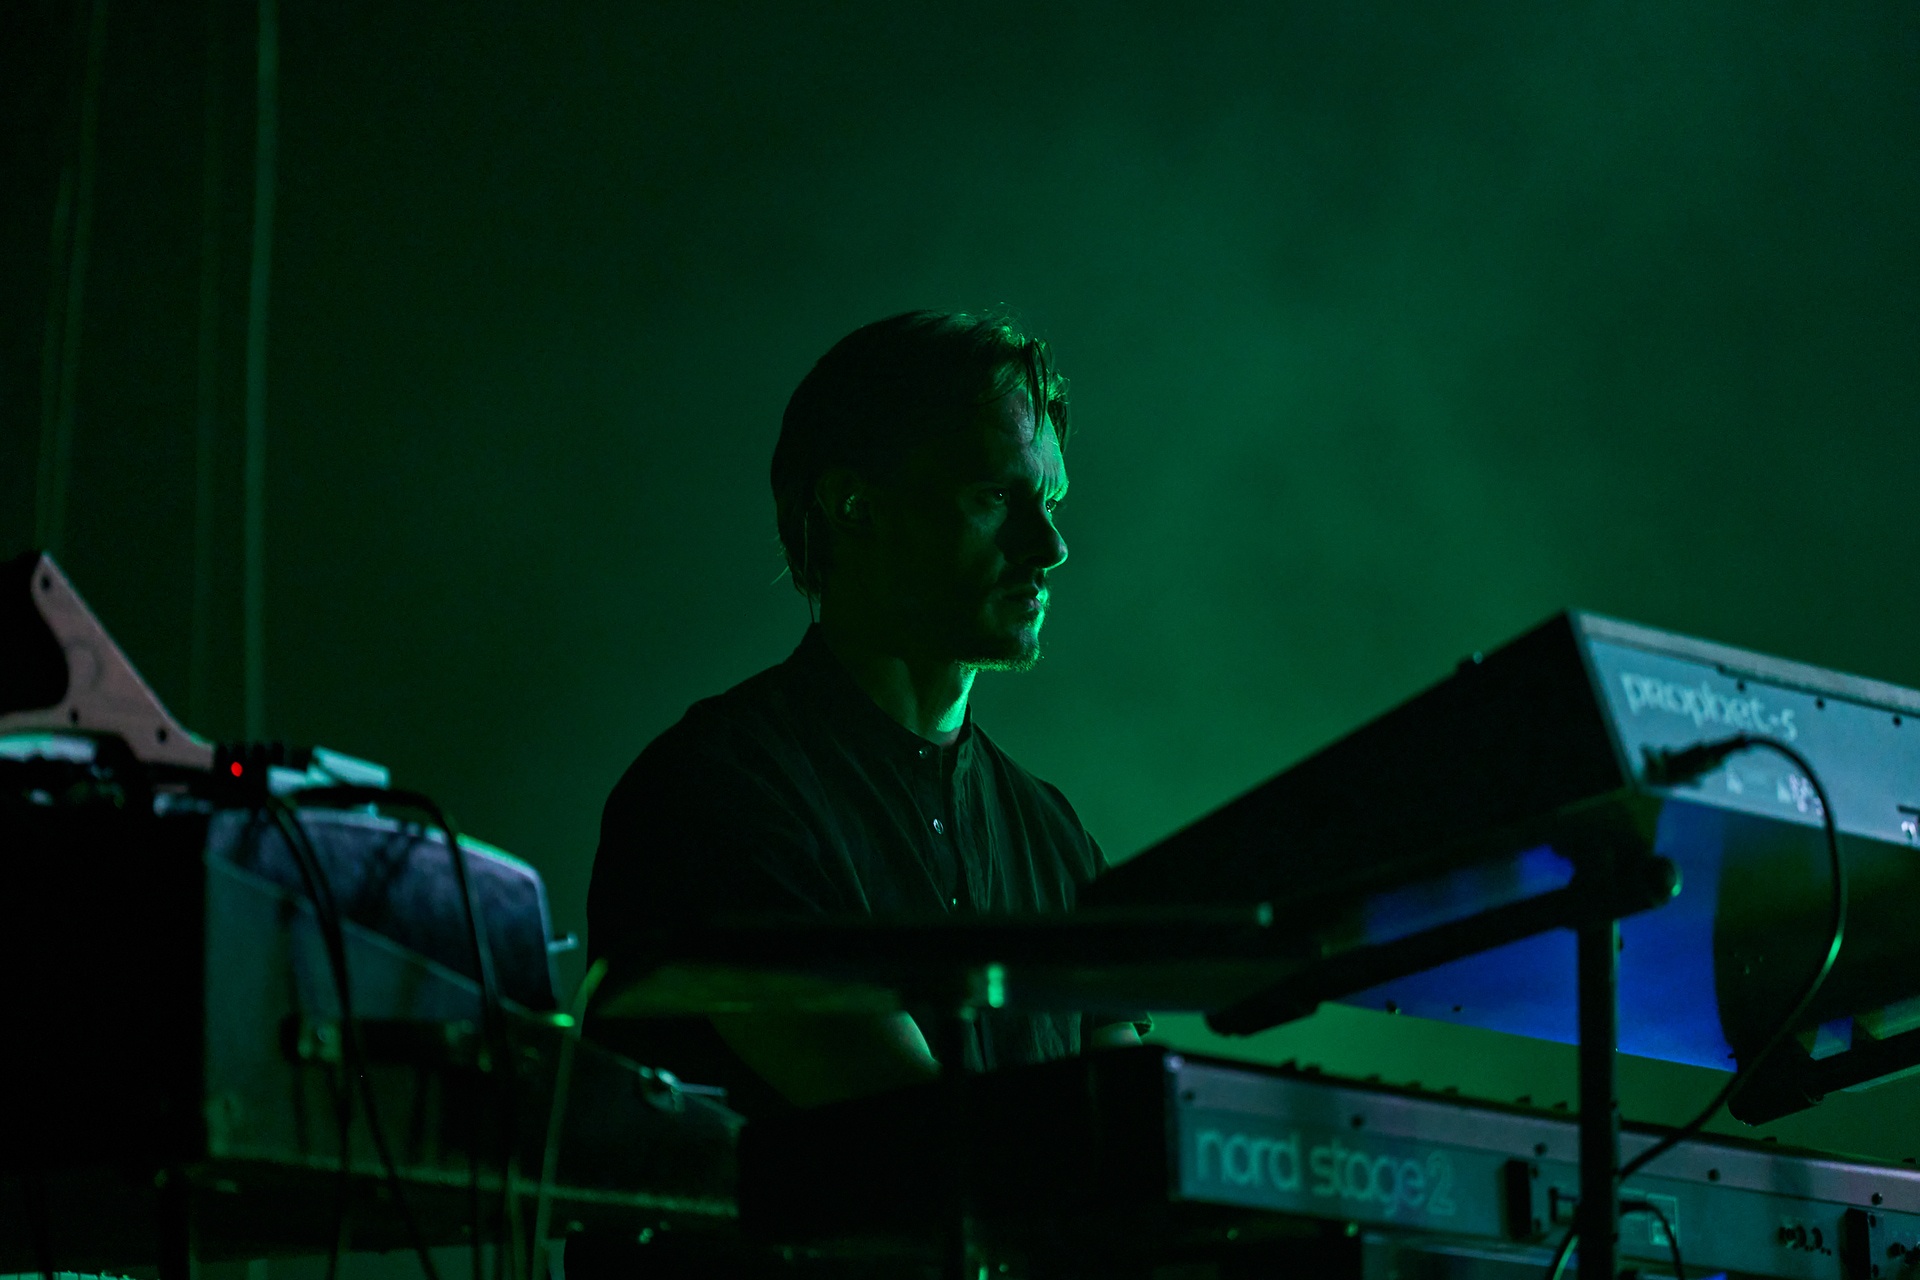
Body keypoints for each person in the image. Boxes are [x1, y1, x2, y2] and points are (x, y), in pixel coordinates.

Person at [585, 310, 1146, 1122]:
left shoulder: (1055, 836)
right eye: (995, 494)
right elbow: (905, 1134)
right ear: (853, 504)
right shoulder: (713, 790)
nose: (1050, 545)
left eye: (1050, 500)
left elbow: (1137, 1134)